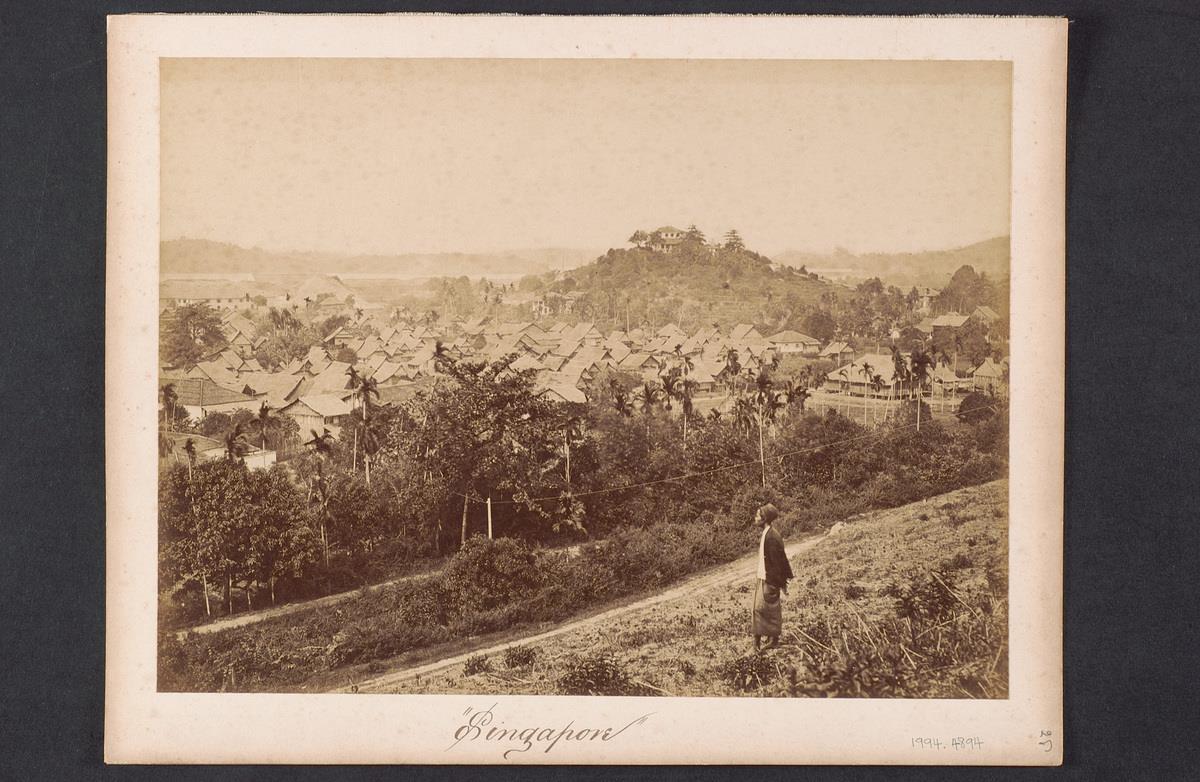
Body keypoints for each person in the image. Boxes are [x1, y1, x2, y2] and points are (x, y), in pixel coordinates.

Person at [752, 503, 793, 651]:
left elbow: (779, 562)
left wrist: (780, 583)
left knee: (760, 609)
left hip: (769, 580)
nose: (755, 518)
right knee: (764, 609)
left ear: (765, 519)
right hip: (763, 577)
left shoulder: (772, 537)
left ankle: (759, 644)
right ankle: (769, 639)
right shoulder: (767, 534)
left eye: (758, 516)